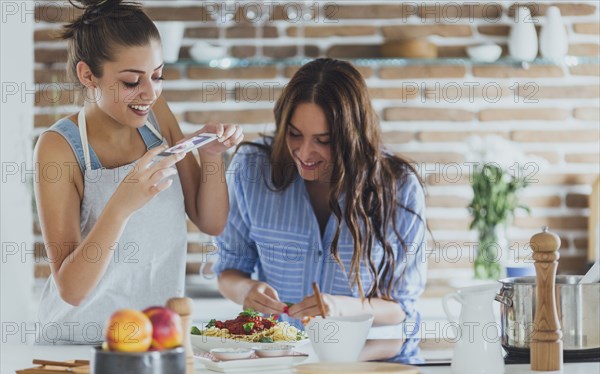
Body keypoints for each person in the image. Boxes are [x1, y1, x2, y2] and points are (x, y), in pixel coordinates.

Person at [33, 0, 243, 344]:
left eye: (158, 75)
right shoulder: (58, 147)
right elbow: (71, 290)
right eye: (132, 81)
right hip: (78, 346)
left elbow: (211, 221)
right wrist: (121, 205)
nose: (149, 92)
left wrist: (211, 156)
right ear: (88, 75)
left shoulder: (156, 116)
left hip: (155, 340)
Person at [212, 58, 427, 347]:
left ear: (352, 135)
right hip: (284, 362)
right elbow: (229, 271)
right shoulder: (252, 169)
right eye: (294, 134)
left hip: (368, 364)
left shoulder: (398, 186)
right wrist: (246, 290)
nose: (305, 152)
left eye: (323, 140)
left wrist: (340, 308)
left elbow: (402, 308)